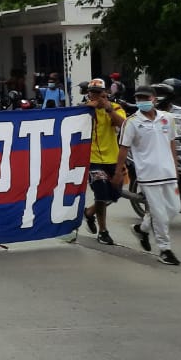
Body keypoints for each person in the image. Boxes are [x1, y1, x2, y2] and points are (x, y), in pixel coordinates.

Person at [115, 87, 181, 266]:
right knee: (159, 213)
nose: (142, 100)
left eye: (145, 97)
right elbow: (124, 149)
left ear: (153, 99)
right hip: (148, 175)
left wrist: (174, 168)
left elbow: (172, 144)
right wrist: (118, 172)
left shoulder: (167, 118)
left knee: (174, 208)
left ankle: (142, 229)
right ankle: (164, 249)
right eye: (138, 98)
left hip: (168, 174)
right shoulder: (132, 122)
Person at [76, 79, 126, 246]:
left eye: (98, 92)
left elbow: (123, 126)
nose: (95, 95)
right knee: (101, 192)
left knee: (115, 194)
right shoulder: (84, 110)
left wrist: (108, 109)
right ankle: (103, 231)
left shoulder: (114, 108)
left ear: (105, 93)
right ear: (88, 93)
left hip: (112, 158)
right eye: (92, 92)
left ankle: (89, 213)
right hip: (92, 158)